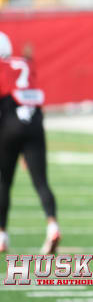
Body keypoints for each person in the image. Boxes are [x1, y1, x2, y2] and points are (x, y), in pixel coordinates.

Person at [0, 31, 60, 254]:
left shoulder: (2, 67)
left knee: (4, 182)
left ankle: (2, 235)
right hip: (34, 124)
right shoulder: (24, 64)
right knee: (41, 182)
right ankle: (53, 225)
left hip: (9, 126)